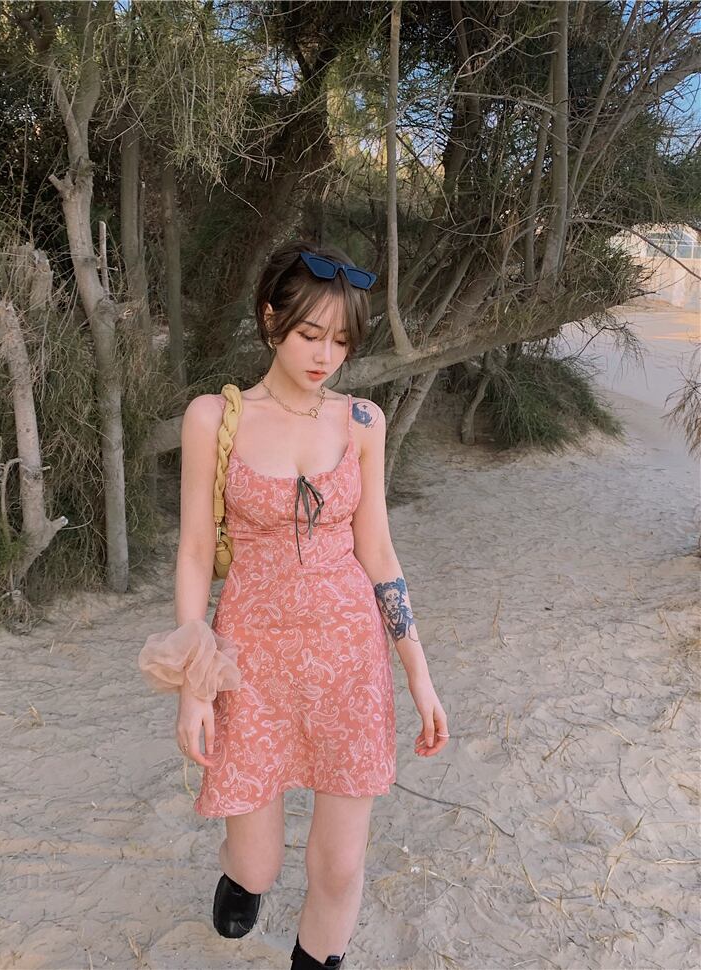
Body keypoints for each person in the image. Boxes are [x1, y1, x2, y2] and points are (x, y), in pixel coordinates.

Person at [141, 240, 449, 970]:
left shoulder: (364, 422)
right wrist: (194, 682)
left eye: (340, 341)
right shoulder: (213, 417)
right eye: (311, 334)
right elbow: (195, 552)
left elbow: (379, 553)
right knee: (259, 863)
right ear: (270, 318)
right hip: (252, 660)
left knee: (338, 867)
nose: (325, 356)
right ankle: (241, 878)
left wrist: (418, 671)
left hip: (349, 662)